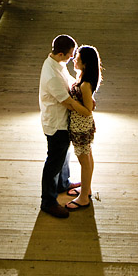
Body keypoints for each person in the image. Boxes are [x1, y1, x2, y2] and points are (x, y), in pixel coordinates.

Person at [39, 34, 93, 219]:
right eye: (71, 55)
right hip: (55, 122)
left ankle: (63, 183)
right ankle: (48, 201)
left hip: (63, 120)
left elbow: (70, 82)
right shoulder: (51, 75)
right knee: (54, 161)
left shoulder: (57, 64)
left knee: (64, 154)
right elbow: (68, 102)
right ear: (61, 53)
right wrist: (86, 109)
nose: (72, 58)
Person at [66, 44, 102, 211]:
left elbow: (88, 110)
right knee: (87, 156)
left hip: (81, 125)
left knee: (84, 161)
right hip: (79, 124)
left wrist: (71, 103)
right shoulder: (82, 77)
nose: (74, 60)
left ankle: (83, 198)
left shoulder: (86, 84)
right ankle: (86, 189)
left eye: (78, 59)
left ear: (86, 63)